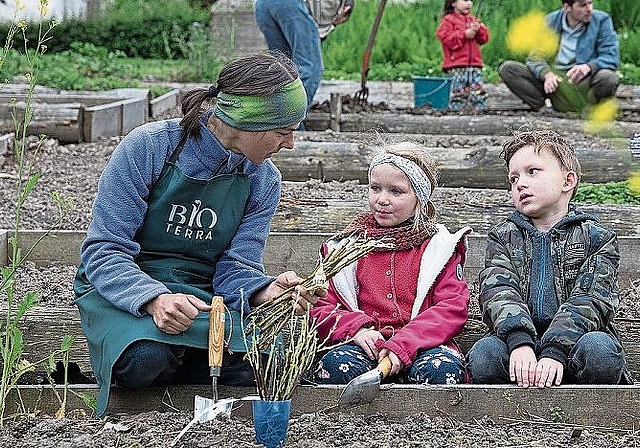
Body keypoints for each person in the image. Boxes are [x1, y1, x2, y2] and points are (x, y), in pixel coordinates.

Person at [73, 53, 326, 417]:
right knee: (144, 359)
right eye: (283, 131)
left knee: (280, 356)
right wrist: (154, 299)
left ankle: (187, 353)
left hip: (203, 298)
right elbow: (104, 250)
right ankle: (187, 354)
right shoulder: (150, 147)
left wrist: (264, 290)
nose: (290, 144)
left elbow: (235, 267)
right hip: (127, 289)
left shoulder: (263, 179)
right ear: (247, 122)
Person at [467, 128, 630, 388]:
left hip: (576, 345)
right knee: (484, 356)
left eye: (532, 171)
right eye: (513, 178)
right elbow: (498, 291)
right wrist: (519, 342)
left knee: (601, 352)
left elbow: (591, 300)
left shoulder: (597, 238)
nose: (520, 183)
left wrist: (555, 350)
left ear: (568, 181)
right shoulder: (502, 237)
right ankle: (514, 405)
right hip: (519, 349)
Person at [309, 142, 472, 385]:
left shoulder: (438, 248)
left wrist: (404, 343)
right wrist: (356, 329)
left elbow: (451, 307)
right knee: (335, 367)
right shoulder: (344, 248)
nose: (382, 200)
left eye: (396, 192)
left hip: (422, 345)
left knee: (442, 371)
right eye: (375, 188)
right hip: (365, 346)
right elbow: (320, 305)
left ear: (420, 198)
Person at [499, 0, 619, 113]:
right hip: (555, 81)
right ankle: (544, 107)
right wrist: (547, 74)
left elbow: (611, 56)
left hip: (581, 80)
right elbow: (535, 56)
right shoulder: (550, 21)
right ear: (567, 7)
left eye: (590, 3)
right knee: (508, 69)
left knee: (608, 78)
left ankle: (590, 108)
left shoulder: (602, 20)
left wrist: (588, 66)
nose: (589, 9)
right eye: (583, 5)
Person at [254, 0, 354, 111]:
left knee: (283, 72)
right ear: (345, 10)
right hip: (290, 6)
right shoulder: (332, 8)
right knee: (311, 69)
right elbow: (317, 35)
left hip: (263, 6)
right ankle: (287, 120)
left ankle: (275, 119)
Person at [436, 0, 490, 111]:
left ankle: (479, 110)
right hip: (456, 67)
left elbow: (484, 39)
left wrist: (479, 29)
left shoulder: (473, 20)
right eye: (465, 0)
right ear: (453, 3)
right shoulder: (448, 20)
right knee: (458, 93)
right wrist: (464, 34)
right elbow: (445, 38)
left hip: (475, 65)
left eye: (471, 0)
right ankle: (456, 112)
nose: (469, 3)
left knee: (477, 91)